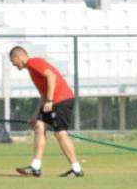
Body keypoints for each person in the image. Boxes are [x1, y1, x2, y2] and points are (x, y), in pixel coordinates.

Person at [9, 46, 84, 178]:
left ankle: (76, 169)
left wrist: (50, 100)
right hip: (52, 101)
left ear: (18, 57)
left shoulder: (34, 62)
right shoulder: (31, 70)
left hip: (61, 100)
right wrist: (35, 116)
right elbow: (43, 94)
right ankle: (35, 167)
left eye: (12, 61)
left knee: (60, 133)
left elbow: (51, 77)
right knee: (39, 126)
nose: (13, 64)